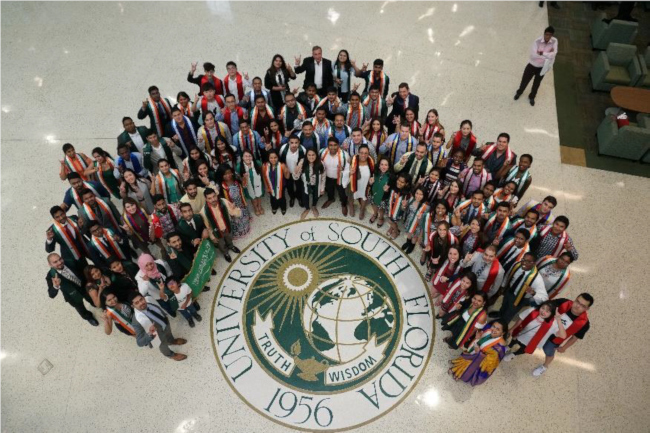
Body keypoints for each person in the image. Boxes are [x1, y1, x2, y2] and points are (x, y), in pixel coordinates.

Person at [532, 293, 593, 377]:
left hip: (554, 341)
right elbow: (548, 305)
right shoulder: (563, 302)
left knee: (549, 352)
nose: (577, 306)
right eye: (577, 301)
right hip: (543, 330)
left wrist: (564, 347)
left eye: (582, 305)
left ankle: (545, 366)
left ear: (587, 308)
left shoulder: (584, 324)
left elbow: (574, 338)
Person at [448, 320, 508, 386]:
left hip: (480, 362)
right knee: (467, 358)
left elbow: (490, 362)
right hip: (475, 353)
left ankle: (460, 374)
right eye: (493, 326)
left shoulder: (499, 348)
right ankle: (457, 367)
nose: (494, 329)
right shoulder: (489, 332)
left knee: (469, 365)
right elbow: (480, 342)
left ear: (502, 333)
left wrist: (479, 352)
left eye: (498, 329)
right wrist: (477, 338)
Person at [130, 293, 187, 361]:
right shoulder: (136, 321)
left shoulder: (149, 300)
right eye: (137, 303)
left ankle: (171, 341)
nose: (141, 303)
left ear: (143, 297)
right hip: (157, 336)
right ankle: (171, 355)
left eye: (141, 299)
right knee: (163, 346)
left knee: (168, 333)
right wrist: (149, 334)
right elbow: (139, 342)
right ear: (133, 306)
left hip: (164, 323)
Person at [494, 253, 547, 323]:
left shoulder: (537, 279)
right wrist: (503, 286)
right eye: (523, 259)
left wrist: (533, 293)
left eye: (528, 261)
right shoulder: (516, 265)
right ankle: (499, 314)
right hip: (509, 290)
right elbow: (508, 275)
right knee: (504, 305)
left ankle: (502, 323)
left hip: (520, 299)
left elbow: (544, 298)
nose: (524, 263)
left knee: (509, 313)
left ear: (534, 263)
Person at [514, 26, 557, 106]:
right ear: (544, 34)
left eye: (550, 35)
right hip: (532, 65)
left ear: (552, 35)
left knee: (537, 83)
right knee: (525, 80)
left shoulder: (555, 41)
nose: (548, 36)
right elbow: (533, 55)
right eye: (546, 34)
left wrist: (541, 53)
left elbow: (553, 55)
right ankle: (519, 92)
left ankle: (532, 97)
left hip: (543, 67)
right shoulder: (537, 41)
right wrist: (548, 55)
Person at [201, 188, 242, 263]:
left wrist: (234, 209)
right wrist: (212, 237)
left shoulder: (223, 202)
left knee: (229, 238)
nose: (213, 199)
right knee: (221, 244)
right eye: (209, 198)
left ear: (216, 195)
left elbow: (235, 213)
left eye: (214, 196)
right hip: (216, 231)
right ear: (206, 199)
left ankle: (231, 246)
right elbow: (207, 226)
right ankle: (225, 253)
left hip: (226, 227)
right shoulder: (204, 211)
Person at [46, 206, 90, 274]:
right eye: (57, 217)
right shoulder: (52, 230)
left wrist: (82, 227)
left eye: (62, 214)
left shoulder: (73, 218)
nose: (61, 217)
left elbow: (84, 231)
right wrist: (49, 239)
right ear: (54, 218)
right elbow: (49, 250)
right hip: (71, 257)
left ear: (64, 212)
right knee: (83, 275)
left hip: (85, 248)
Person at [218, 166, 251, 238]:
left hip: (241, 203)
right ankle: (239, 233)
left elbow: (244, 186)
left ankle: (246, 229)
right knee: (236, 221)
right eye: (225, 174)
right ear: (221, 175)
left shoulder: (236, 179)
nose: (228, 175)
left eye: (229, 173)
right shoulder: (221, 186)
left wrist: (245, 178)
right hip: (232, 207)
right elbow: (220, 199)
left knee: (243, 217)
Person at [320, 137, 351, 216]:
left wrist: (343, 169)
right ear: (327, 145)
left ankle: (343, 204)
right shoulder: (322, 153)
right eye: (330, 145)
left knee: (342, 192)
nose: (333, 147)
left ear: (338, 145)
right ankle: (331, 199)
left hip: (339, 178)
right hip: (328, 177)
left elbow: (349, 168)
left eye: (335, 145)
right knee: (329, 189)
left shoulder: (345, 155)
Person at [294, 147, 326, 220]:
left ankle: (314, 206)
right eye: (309, 155)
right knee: (305, 196)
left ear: (316, 155)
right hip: (306, 183)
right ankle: (307, 208)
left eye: (313, 155)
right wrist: (296, 172)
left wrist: (322, 188)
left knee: (316, 196)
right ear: (306, 155)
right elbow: (296, 177)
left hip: (316, 184)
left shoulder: (321, 163)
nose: (311, 157)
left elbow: (323, 177)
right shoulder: (302, 162)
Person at [278, 136, 305, 208]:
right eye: (292, 142)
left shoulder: (303, 150)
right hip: (288, 173)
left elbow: (304, 161)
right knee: (289, 187)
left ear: (299, 143)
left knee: (299, 186)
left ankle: (299, 197)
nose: (294, 145)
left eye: (296, 143)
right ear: (288, 142)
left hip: (298, 173)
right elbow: (280, 160)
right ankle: (292, 197)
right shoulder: (283, 149)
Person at [383, 173, 411, 239]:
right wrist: (386, 191)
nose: (399, 183)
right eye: (398, 180)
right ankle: (391, 227)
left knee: (391, 221)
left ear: (406, 184)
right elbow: (388, 197)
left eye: (402, 182)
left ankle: (396, 231)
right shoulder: (393, 187)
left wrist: (404, 206)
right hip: (390, 208)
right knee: (391, 220)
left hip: (398, 212)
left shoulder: (406, 194)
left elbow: (404, 209)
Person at [261, 150, 290, 215]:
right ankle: (274, 207)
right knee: (272, 197)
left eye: (275, 157)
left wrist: (287, 171)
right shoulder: (264, 166)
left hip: (281, 185)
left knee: (282, 197)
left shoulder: (282, 165)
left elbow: (287, 177)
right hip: (270, 185)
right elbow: (263, 176)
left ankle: (283, 208)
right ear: (268, 158)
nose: (273, 159)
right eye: (271, 158)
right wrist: (266, 186)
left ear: (278, 157)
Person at [349, 145, 374, 220]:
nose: (363, 155)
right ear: (358, 152)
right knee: (351, 195)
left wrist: (372, 179)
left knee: (364, 196)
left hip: (365, 184)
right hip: (353, 183)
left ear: (368, 153)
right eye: (362, 153)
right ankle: (351, 207)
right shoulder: (352, 159)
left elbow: (373, 172)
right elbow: (345, 171)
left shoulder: (371, 160)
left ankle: (362, 210)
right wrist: (350, 172)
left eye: (366, 153)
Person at [237, 150, 265, 215]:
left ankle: (260, 206)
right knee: (253, 198)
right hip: (248, 186)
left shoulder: (257, 163)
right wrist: (244, 178)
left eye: (250, 156)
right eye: (246, 156)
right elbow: (240, 180)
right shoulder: (239, 167)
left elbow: (262, 173)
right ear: (242, 157)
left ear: (252, 157)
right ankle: (255, 207)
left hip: (258, 184)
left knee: (259, 196)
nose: (248, 158)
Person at [401, 187, 428, 253]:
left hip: (417, 225)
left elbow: (424, 221)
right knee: (409, 234)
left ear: (424, 196)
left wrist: (419, 218)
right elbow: (405, 210)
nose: (418, 196)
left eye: (421, 194)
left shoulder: (425, 207)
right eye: (417, 193)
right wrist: (404, 206)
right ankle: (408, 242)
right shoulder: (411, 200)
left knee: (414, 237)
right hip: (408, 221)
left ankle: (412, 246)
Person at [369, 156, 391, 226]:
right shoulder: (375, 172)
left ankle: (381, 218)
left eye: (386, 165)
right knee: (373, 204)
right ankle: (375, 214)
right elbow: (371, 184)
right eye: (382, 164)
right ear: (379, 166)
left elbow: (392, 190)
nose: (383, 167)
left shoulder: (391, 177)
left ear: (388, 167)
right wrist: (370, 183)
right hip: (373, 194)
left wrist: (387, 190)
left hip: (383, 197)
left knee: (381, 209)